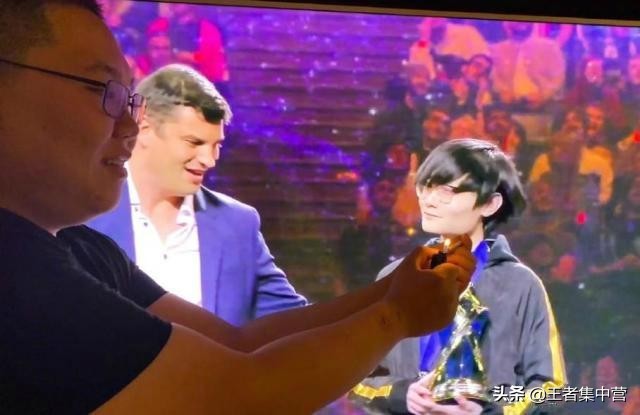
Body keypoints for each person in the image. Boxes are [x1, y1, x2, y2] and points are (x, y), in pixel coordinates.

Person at [0, 1, 476, 413]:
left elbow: (240, 344)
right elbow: (239, 393)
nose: (127, 124)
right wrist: (396, 316)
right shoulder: (15, 269)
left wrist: (395, 289)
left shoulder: (85, 249)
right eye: (100, 90)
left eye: (130, 99)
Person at [350, 139, 567, 414]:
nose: (429, 200)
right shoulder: (394, 279)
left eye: (447, 190)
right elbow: (358, 378)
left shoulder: (520, 285)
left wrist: (491, 412)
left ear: (489, 204)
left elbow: (552, 389)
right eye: (425, 186)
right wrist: (403, 394)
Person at [87, 64, 307, 325]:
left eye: (216, 145)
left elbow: (294, 324)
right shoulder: (83, 213)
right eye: (194, 142)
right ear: (143, 128)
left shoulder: (238, 223)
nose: (209, 160)